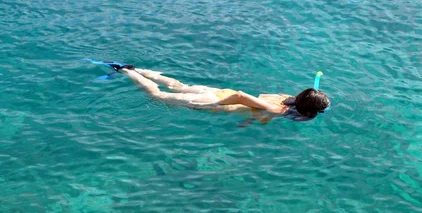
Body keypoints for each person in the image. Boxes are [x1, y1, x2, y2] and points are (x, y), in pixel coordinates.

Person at [111, 64, 330, 123]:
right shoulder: (279, 109)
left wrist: (251, 120)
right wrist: (211, 105)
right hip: (217, 100)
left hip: (219, 92)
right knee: (157, 97)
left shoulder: (285, 98)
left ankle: (140, 69)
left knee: (177, 86)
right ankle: (125, 71)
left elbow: (257, 103)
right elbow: (242, 97)